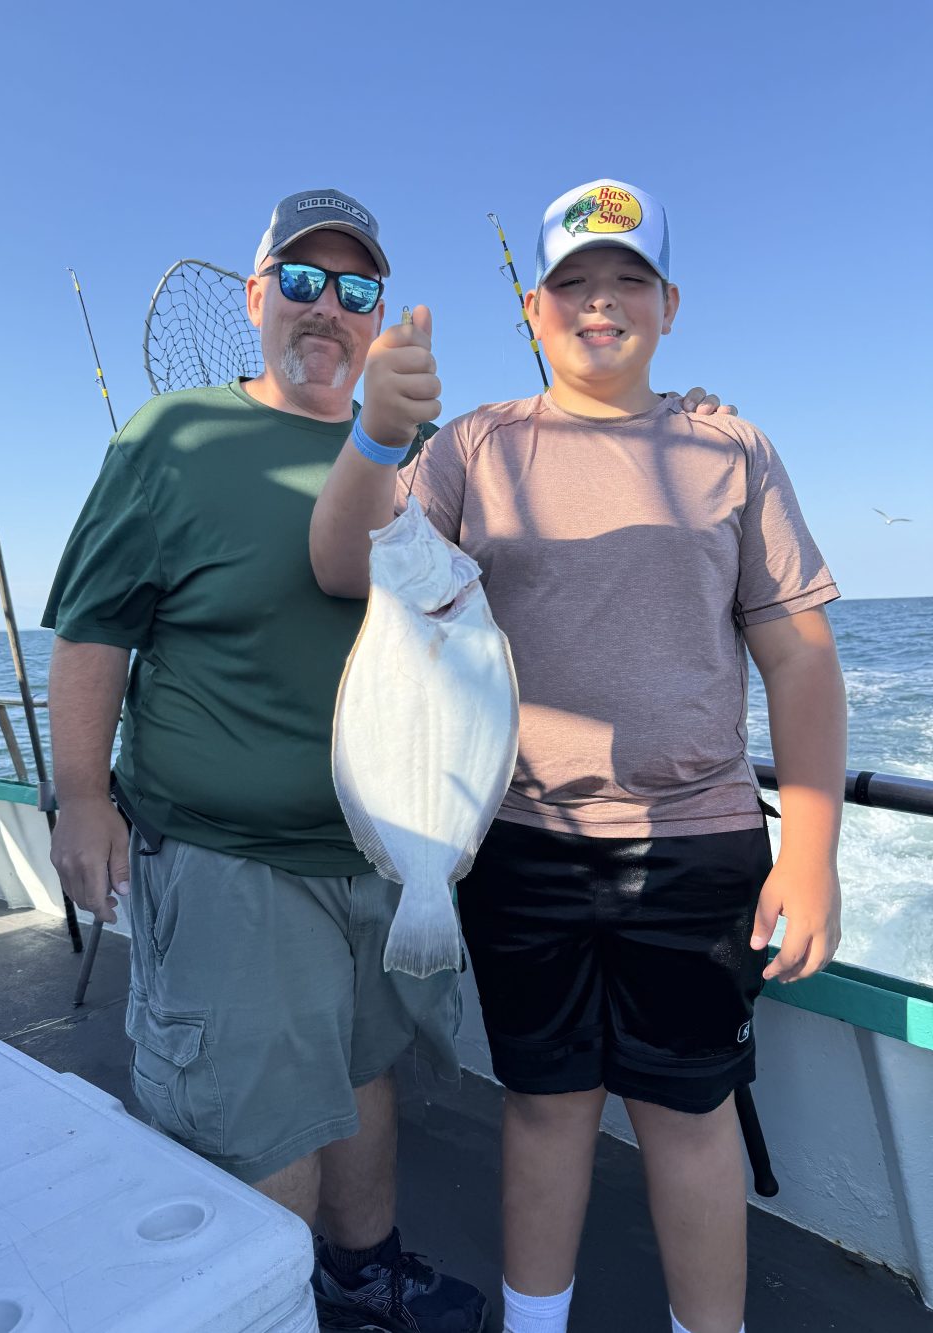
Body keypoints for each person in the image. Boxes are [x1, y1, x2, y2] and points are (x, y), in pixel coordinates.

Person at [44, 184, 732, 1333]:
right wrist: (78, 797)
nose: (327, 307)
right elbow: (92, 627)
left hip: (389, 852)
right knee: (255, 1116)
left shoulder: (431, 457)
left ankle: (363, 1277)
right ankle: (261, 1307)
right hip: (232, 855)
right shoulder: (173, 437)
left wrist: (673, 410)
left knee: (364, 1079)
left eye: (354, 288)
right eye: (302, 282)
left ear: (377, 316)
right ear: (258, 294)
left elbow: (565, 473)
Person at [309, 178, 846, 1333]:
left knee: (688, 1115)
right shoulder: (473, 449)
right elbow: (350, 565)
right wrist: (377, 433)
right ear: (532, 309)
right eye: (572, 285)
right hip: (513, 842)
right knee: (546, 1110)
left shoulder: (731, 447)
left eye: (627, 280)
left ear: (669, 304)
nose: (599, 303)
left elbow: (800, 661)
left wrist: (809, 857)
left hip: (696, 844)